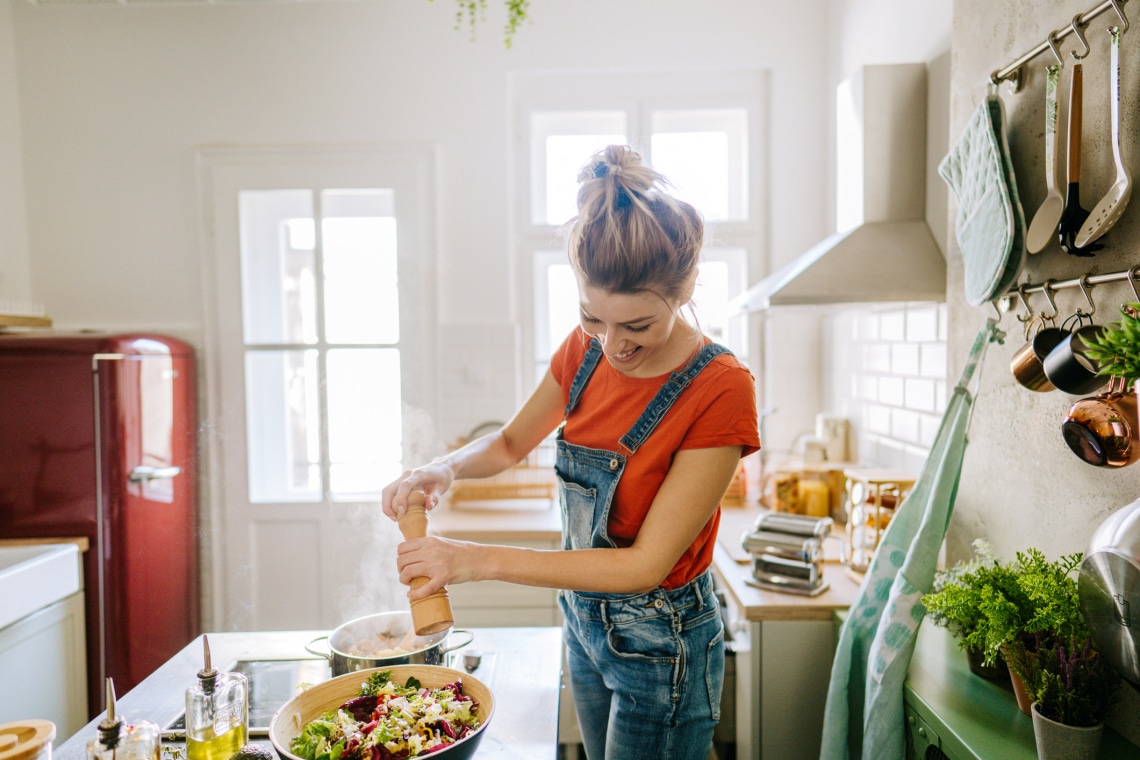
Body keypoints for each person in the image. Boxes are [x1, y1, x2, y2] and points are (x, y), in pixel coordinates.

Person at [382, 144, 760, 760]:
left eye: (637, 326)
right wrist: (442, 468)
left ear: (688, 284)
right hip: (585, 630)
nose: (613, 346)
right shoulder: (582, 352)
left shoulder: (719, 388)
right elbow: (508, 444)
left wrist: (474, 560)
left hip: (662, 647)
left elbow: (642, 567)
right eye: (593, 318)